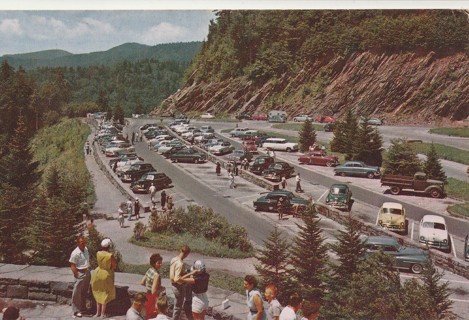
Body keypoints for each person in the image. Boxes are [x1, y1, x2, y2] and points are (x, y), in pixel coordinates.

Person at [90, 238, 117, 318]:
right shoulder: (110, 255)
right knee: (105, 293)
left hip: (98, 273)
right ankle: (102, 314)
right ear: (109, 246)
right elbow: (114, 265)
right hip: (106, 274)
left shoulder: (98, 253)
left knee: (98, 292)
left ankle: (97, 313)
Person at [69, 235, 91, 318]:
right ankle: (76, 311)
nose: (84, 244)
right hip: (80, 273)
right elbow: (72, 265)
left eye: (84, 242)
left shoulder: (85, 249)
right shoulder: (75, 253)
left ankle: (83, 307)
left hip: (87, 272)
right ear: (78, 243)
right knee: (77, 293)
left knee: (85, 291)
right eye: (82, 243)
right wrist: (77, 275)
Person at [170, 245, 193, 320]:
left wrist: (185, 272)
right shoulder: (180, 263)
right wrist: (187, 276)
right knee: (178, 307)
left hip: (173, 285)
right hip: (178, 286)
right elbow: (177, 278)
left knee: (177, 303)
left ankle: (188, 302)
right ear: (187, 254)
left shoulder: (174, 259)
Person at [140, 253, 165, 320]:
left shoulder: (149, 270)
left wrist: (150, 286)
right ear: (154, 263)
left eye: (161, 263)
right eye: (158, 263)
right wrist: (162, 289)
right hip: (153, 297)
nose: (160, 265)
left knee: (148, 314)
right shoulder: (156, 275)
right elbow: (153, 291)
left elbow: (142, 282)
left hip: (147, 295)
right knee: (153, 315)